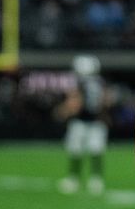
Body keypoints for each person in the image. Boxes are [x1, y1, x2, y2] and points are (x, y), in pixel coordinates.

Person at [57, 55, 108, 195]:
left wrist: (63, 111)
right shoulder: (100, 82)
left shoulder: (80, 82)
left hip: (80, 122)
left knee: (76, 151)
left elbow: (75, 103)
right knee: (96, 152)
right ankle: (96, 181)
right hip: (97, 122)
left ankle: (73, 180)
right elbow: (105, 101)